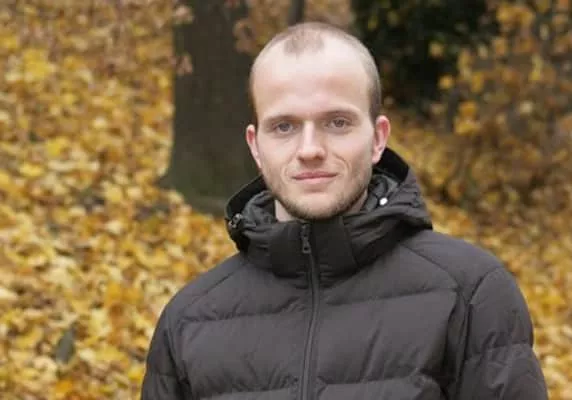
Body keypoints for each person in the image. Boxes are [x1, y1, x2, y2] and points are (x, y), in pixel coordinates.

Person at [140, 22, 548, 400]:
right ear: (255, 146)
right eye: (284, 126)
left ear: (378, 138)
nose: (310, 149)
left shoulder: (470, 293)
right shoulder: (188, 321)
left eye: (337, 122)